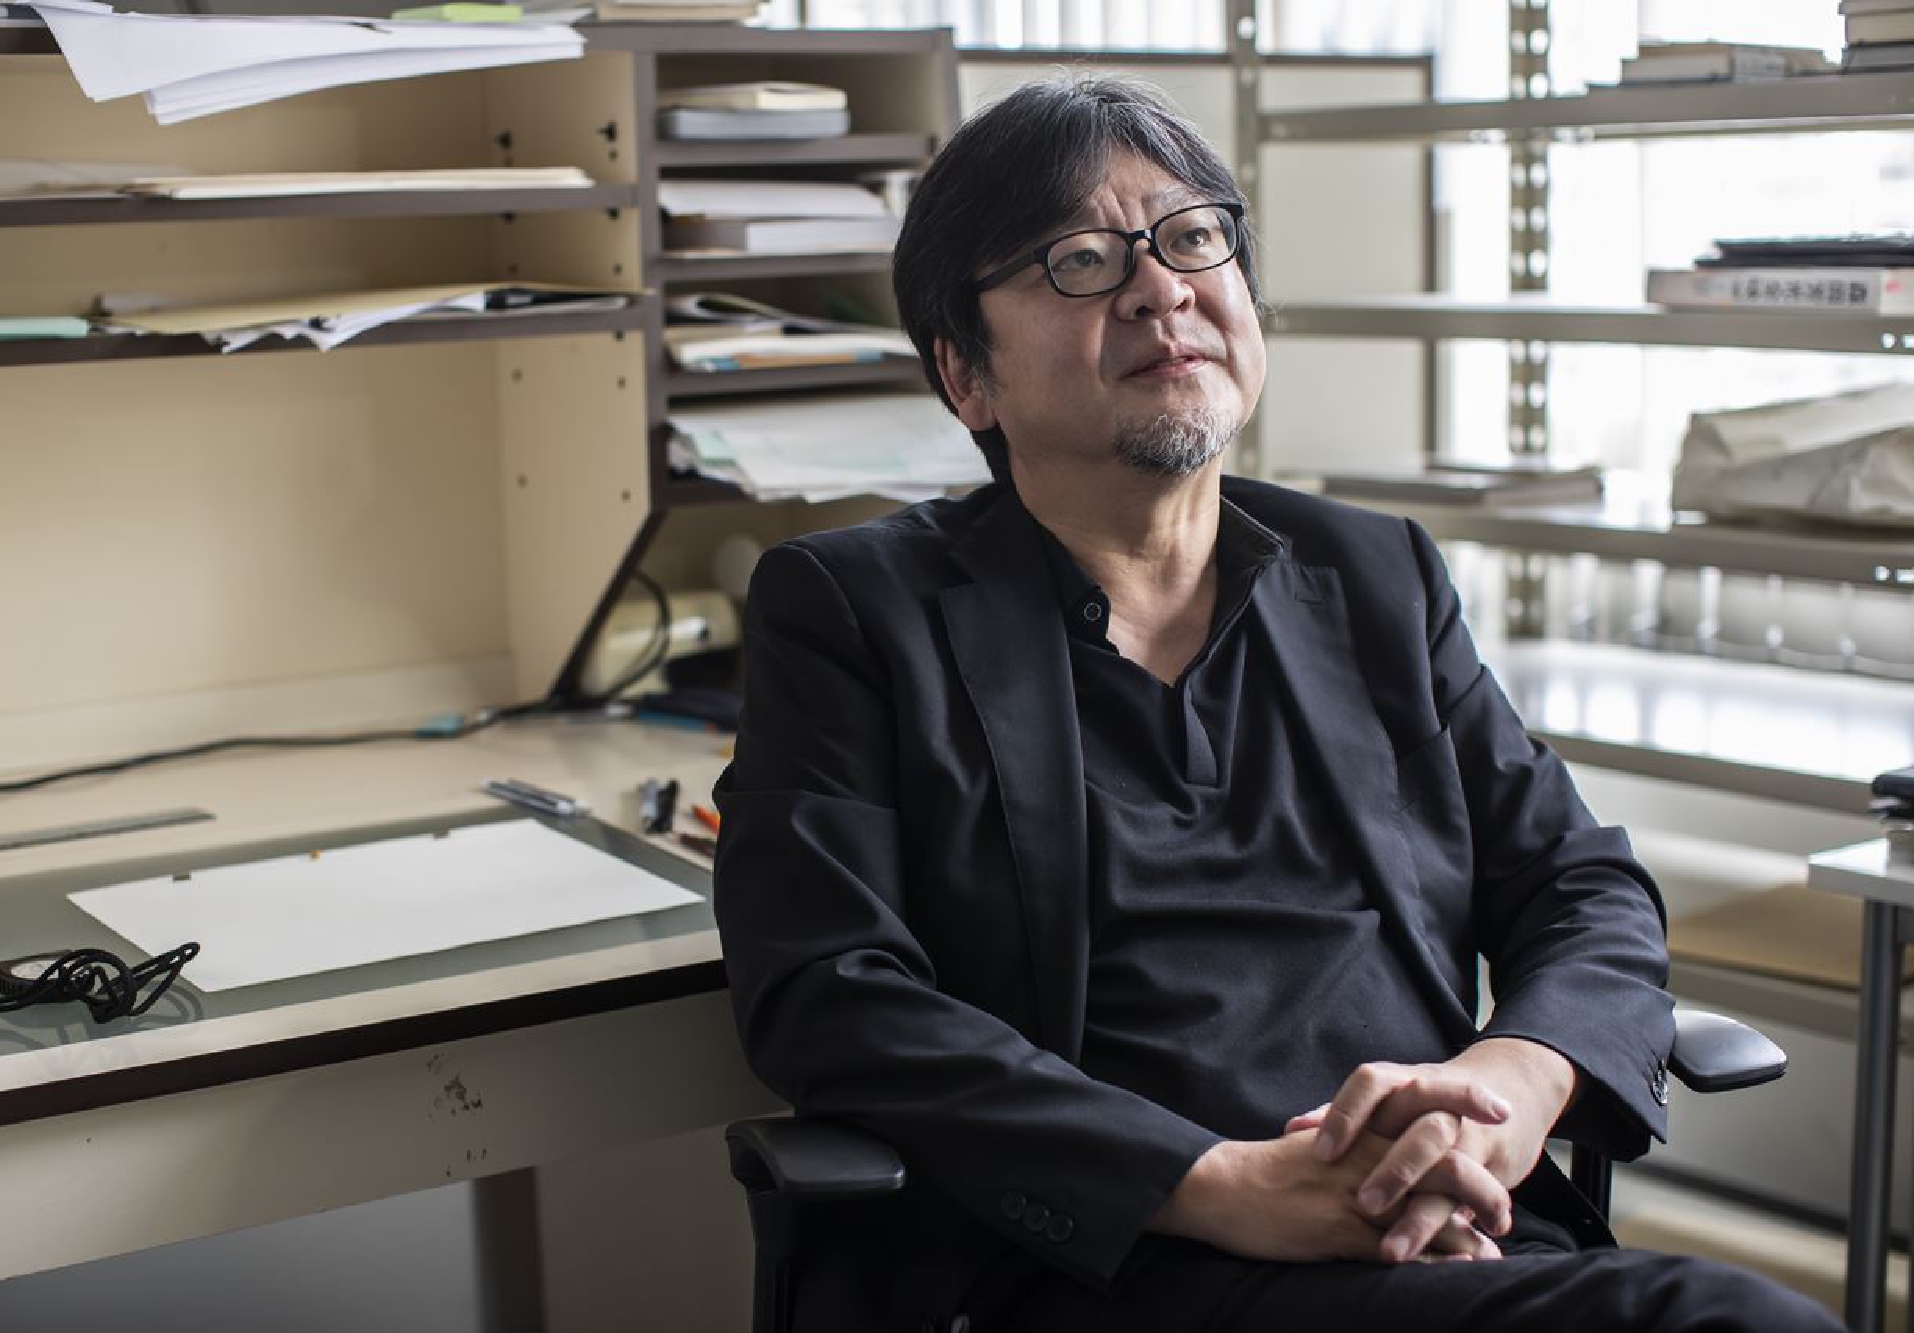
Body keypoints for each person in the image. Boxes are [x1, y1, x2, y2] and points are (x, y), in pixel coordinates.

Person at [711, 76, 1838, 1333]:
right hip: (1124, 1261)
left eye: (1191, 237)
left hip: (1441, 1233)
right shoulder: (855, 608)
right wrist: (1223, 1184)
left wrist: (1504, 1090)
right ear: (966, 377)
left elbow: (1578, 886)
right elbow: (828, 990)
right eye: (1078, 261)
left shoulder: (1374, 576)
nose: (1159, 289)